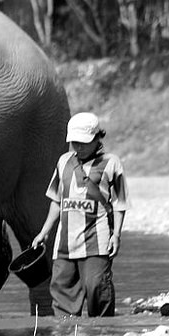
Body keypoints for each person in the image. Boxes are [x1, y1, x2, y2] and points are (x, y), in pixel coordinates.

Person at [31, 112, 129, 317]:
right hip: (65, 242)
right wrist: (44, 232)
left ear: (97, 138)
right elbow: (57, 201)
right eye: (75, 142)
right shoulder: (63, 162)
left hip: (98, 239)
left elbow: (120, 203)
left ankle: (102, 335)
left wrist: (116, 235)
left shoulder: (112, 163)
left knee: (97, 287)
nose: (79, 147)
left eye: (83, 142)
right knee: (61, 291)